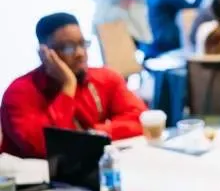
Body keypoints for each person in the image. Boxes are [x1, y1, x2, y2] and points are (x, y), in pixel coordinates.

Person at [0, 13, 147, 158]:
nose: (80, 53)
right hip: (33, 172)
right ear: (44, 54)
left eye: (83, 44)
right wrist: (68, 86)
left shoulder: (105, 78)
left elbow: (141, 120)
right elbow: (46, 146)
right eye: (67, 47)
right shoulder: (19, 92)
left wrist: (91, 134)